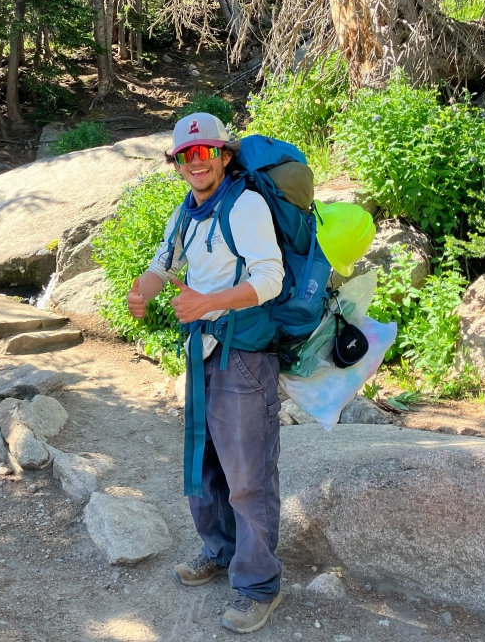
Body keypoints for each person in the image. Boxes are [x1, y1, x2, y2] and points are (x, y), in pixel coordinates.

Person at [127, 112, 285, 634]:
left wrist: (206, 303)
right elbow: (163, 265)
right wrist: (142, 292)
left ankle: (258, 584)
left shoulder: (246, 206)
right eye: (186, 155)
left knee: (247, 476)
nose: (197, 163)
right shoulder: (186, 214)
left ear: (224, 155)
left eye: (206, 152)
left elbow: (270, 280)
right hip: (206, 349)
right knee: (205, 463)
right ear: (176, 164)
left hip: (244, 351)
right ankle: (218, 550)